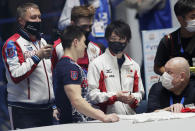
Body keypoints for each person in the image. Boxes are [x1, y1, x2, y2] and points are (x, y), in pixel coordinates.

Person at [1, 3, 55, 129]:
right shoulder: (12, 44)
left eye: (39, 17)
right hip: (24, 110)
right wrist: (37, 56)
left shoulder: (42, 41)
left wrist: (53, 104)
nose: (38, 21)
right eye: (33, 17)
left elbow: (48, 75)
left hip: (47, 109)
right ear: (21, 21)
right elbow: (15, 75)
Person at [54, 25, 119, 124]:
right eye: (84, 42)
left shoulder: (71, 65)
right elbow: (76, 100)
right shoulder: (69, 67)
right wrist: (103, 117)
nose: (85, 46)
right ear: (75, 42)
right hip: (73, 124)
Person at [87, 20, 145, 115]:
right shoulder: (97, 64)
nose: (117, 42)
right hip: (106, 119)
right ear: (107, 39)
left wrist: (132, 98)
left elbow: (139, 93)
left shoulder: (134, 65)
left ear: (127, 40)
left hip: (131, 118)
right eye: (113, 38)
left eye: (121, 38)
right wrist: (115, 96)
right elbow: (92, 95)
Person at [52, 5, 105, 71]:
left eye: (90, 26)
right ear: (72, 24)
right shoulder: (58, 48)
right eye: (84, 26)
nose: (88, 30)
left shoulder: (96, 50)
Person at [154, 0, 195, 75]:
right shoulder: (168, 40)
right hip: (178, 83)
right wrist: (174, 74)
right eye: (193, 17)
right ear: (180, 19)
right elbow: (158, 68)